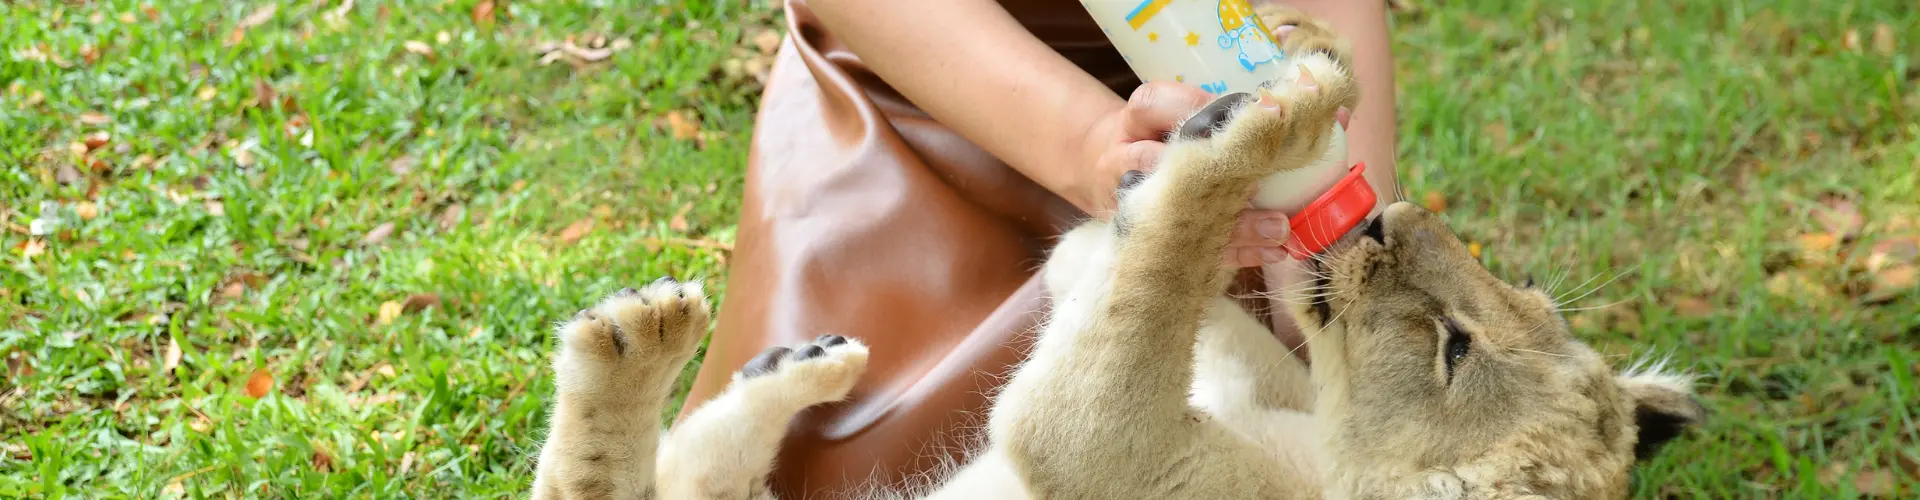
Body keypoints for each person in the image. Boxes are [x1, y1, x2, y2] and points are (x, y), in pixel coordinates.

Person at [674, 0, 1401, 496]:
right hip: (927, 73)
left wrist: (1330, 237)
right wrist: (1091, 148)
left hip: (1214, 71)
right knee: (826, 444)